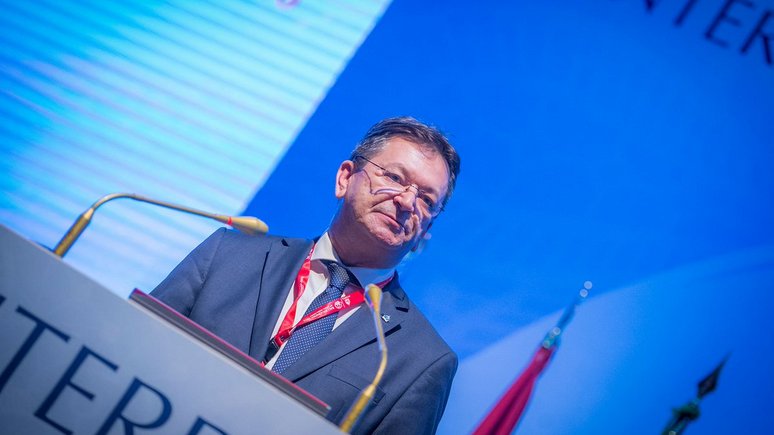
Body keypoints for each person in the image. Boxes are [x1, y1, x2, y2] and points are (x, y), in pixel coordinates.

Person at [151, 116, 461, 434]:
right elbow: (135, 343)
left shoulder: (422, 359)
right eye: (394, 177)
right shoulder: (228, 255)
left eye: (426, 200)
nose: (407, 201)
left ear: (427, 229)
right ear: (345, 178)